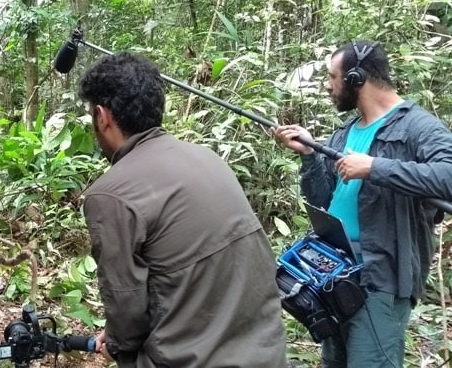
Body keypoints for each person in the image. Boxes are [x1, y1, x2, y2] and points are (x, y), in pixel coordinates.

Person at [78, 52, 288, 368]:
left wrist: (119, 344)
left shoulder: (111, 194)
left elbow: (126, 311)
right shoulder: (208, 158)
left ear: (102, 116)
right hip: (267, 354)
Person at [274, 40, 452, 367]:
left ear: (356, 78)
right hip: (334, 277)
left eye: (333, 77)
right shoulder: (345, 133)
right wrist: (310, 154)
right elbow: (322, 201)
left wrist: (375, 167)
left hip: (380, 280)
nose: (328, 85)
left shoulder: (417, 126)